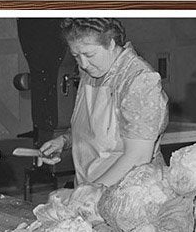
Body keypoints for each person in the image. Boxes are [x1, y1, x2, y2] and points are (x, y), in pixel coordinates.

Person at [37, 18, 168, 186]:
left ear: (111, 43)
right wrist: (64, 141)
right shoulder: (93, 70)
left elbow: (139, 156)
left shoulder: (139, 80)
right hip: (91, 187)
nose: (83, 64)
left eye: (89, 54)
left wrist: (90, 192)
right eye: (76, 56)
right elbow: (95, 129)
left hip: (130, 193)